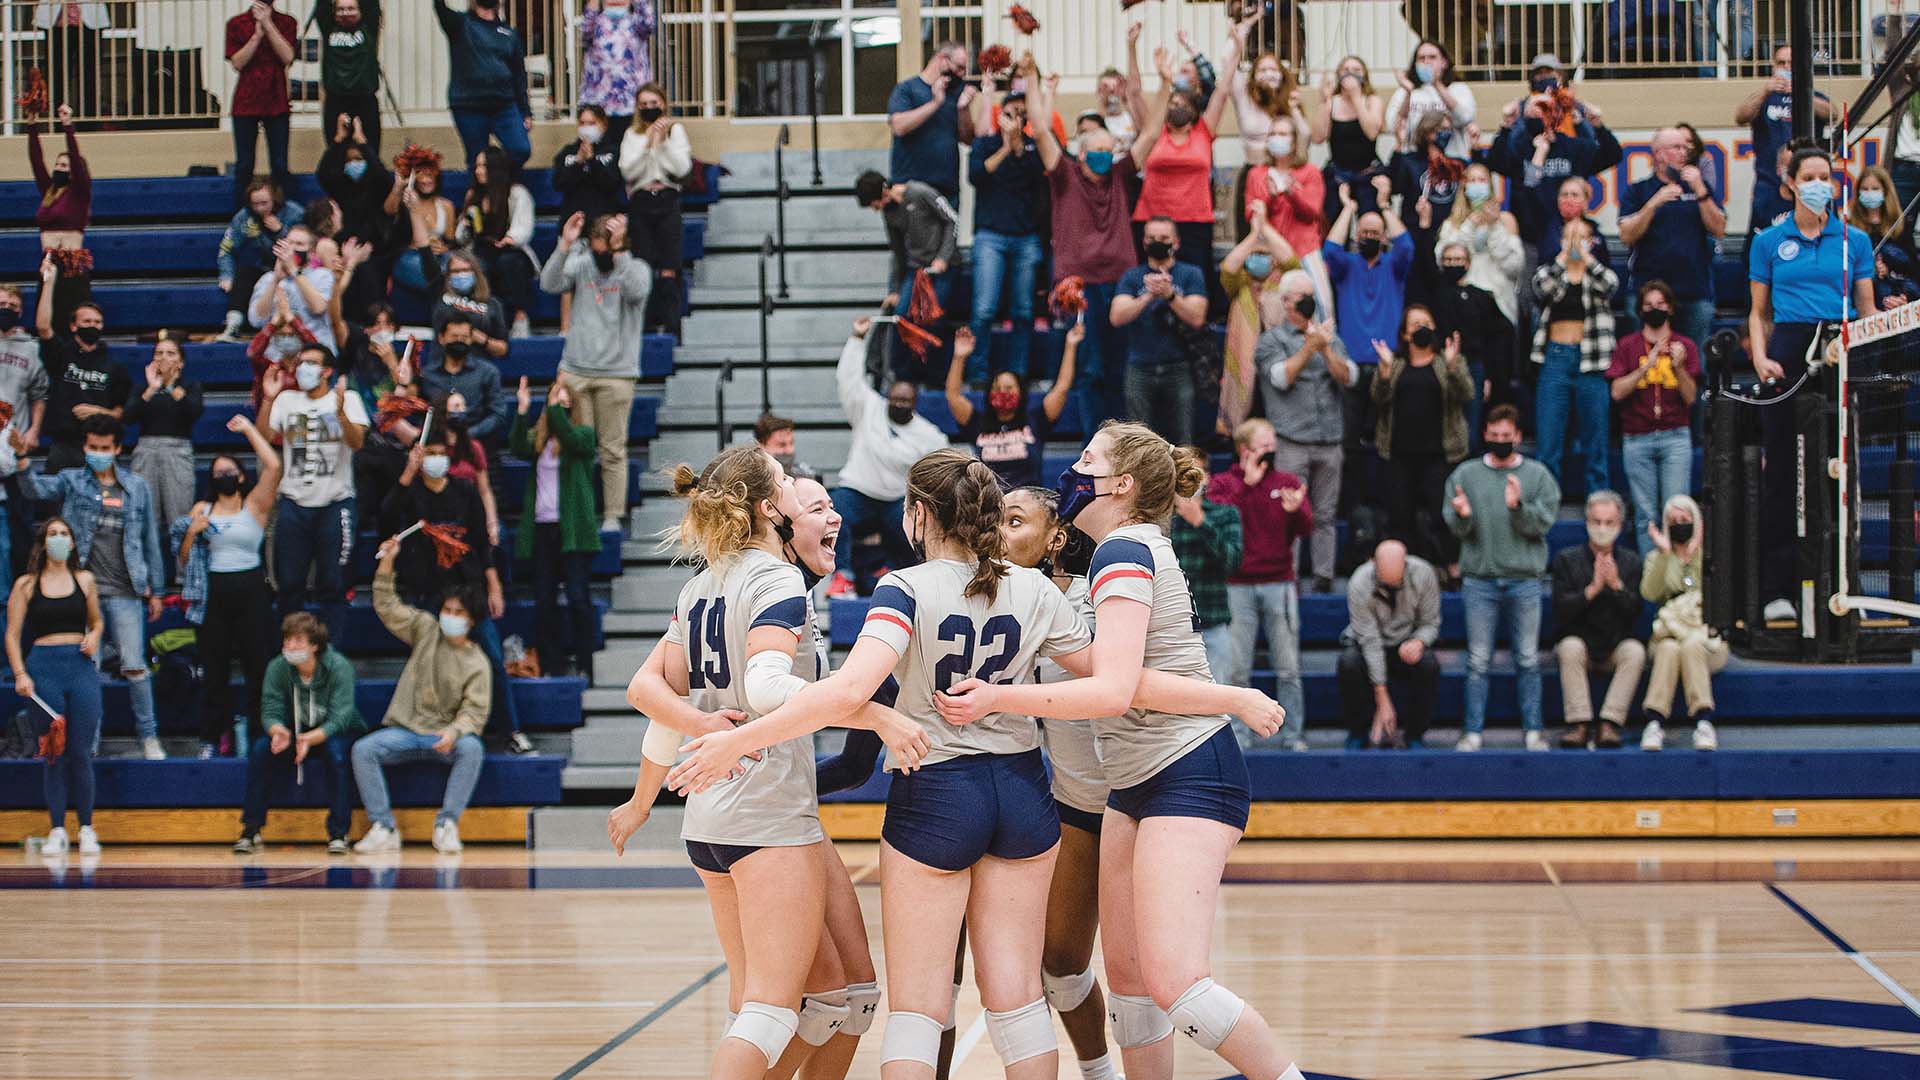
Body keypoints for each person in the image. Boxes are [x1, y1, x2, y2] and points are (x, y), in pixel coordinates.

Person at [669, 446, 1273, 1080]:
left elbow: (847, 694)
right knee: (1018, 1002)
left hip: (936, 793)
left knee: (918, 1011)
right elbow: (1123, 681)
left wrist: (737, 740)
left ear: (920, 516)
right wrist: (1227, 697)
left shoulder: (903, 587)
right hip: (1022, 794)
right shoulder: (1036, 586)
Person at [924, 424, 1306, 1080]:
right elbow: (1118, 673)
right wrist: (1232, 696)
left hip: (1187, 769)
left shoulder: (1123, 550)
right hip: (1130, 783)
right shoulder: (1117, 552)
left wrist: (995, 698)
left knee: (1178, 988)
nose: (1074, 470)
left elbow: (1111, 689)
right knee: (1130, 992)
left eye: (1086, 461)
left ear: (1120, 484)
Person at [625, 450, 926, 1080]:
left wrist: (647, 793)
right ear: (769, 509)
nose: (802, 493)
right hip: (761, 816)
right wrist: (869, 711)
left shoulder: (703, 582)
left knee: (837, 1002)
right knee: (771, 1011)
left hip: (722, 817)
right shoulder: (774, 580)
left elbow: (656, 694)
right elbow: (764, 688)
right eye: (791, 488)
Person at [997, 486, 1122, 1080]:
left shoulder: (1102, 607)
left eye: (1016, 521)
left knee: (1150, 971)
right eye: (996, 520)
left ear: (1057, 539)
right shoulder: (1002, 609)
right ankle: (1099, 1071)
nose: (1001, 531)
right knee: (1061, 966)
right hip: (1076, 807)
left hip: (1143, 803)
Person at [1746, 146, 1874, 623]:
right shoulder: (1768, 241)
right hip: (1790, 348)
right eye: (1810, 175)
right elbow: (1759, 313)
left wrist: (1865, 353)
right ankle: (1778, 590)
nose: (1820, 182)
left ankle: (1845, 588)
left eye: (1827, 175)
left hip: (1840, 346)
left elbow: (1867, 310)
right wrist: (1760, 356)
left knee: (1843, 472)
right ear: (1792, 183)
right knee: (1780, 469)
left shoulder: (1853, 241)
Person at [20, 416, 165, 760]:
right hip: (82, 593)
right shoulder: (72, 481)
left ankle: (149, 737)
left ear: (117, 449)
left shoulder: (137, 486)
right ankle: (91, 740)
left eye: (105, 448)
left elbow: (150, 540)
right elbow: (34, 489)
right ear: (84, 447)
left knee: (135, 666)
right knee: (90, 673)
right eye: (92, 447)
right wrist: (23, 460)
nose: (98, 453)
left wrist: (157, 589)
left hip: (127, 590)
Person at [352, 536, 492, 854]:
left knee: (472, 749)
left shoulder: (477, 661)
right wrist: (387, 561)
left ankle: (447, 823)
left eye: (458, 611)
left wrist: (455, 730)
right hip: (406, 730)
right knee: (364, 749)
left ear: (470, 620)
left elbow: (476, 711)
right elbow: (388, 606)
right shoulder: (427, 629)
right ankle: (383, 827)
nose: (450, 616)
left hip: (443, 736)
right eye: (447, 609)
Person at [1443, 404, 1560, 752]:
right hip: (1480, 580)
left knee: (1527, 659)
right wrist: (1463, 516)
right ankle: (1472, 732)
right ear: (1485, 436)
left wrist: (1517, 507)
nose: (1500, 441)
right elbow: (1457, 527)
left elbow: (1541, 525)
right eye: (1493, 437)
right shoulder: (1465, 475)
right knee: (1477, 661)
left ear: (1518, 437)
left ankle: (1534, 731)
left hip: (1525, 580)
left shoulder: (1538, 476)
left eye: (1506, 437)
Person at [1034, 71, 1136, 425]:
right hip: (1080, 285)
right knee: (1091, 369)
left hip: (1120, 282)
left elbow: (1151, 133)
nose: (1105, 157)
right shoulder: (1064, 174)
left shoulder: (1120, 176)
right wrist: (1039, 86)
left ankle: (1123, 443)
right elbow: (1041, 130)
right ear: (1081, 153)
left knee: (1121, 368)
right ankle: (1094, 444)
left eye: (1110, 151)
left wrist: (1158, 80)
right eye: (1098, 152)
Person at [175, 416, 280, 759]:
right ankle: (210, 738)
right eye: (217, 472)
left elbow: (274, 464)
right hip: (213, 593)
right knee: (214, 671)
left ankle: (257, 735)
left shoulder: (255, 506)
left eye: (229, 471)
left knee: (258, 668)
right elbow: (183, 560)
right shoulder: (201, 508)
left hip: (251, 589)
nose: (224, 476)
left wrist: (250, 430)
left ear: (240, 475)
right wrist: (193, 532)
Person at [540, 211, 649, 531]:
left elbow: (637, 291)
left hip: (616, 374)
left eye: (607, 248)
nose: (600, 255)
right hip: (576, 370)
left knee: (613, 450)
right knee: (579, 450)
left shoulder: (636, 268)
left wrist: (620, 251)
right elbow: (549, 283)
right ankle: (583, 516)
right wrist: (565, 244)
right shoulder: (582, 262)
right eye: (597, 247)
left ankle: (613, 516)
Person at [825, 318, 946, 598]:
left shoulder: (929, 435)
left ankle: (895, 571)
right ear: (888, 397)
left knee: (917, 521)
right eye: (895, 399)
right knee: (832, 512)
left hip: (897, 500)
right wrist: (856, 339)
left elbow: (947, 463)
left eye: (905, 401)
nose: (899, 404)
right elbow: (848, 378)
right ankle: (843, 575)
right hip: (858, 491)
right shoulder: (869, 408)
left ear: (915, 405)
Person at [1208, 420, 1309, 748]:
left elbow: (1306, 526)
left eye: (1272, 443)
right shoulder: (1224, 484)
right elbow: (1216, 521)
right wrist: (1246, 486)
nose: (1271, 450)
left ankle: (1293, 736)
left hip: (1279, 583)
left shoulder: (1287, 482)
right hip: (1236, 586)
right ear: (1244, 449)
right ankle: (1239, 737)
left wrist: (1296, 512)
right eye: (1264, 444)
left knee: (1289, 667)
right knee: (1237, 670)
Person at [6, 517, 103, 856]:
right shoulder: (26, 585)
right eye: (52, 534)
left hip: (79, 668)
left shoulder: (85, 579)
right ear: (43, 542)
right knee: (54, 752)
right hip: (43, 669)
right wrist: (20, 673)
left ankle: (87, 828)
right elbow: (12, 634)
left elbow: (97, 620)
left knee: (80, 751)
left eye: (64, 533)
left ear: (73, 542)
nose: (59, 538)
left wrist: (94, 637)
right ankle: (58, 829)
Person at [261, 344, 368, 644]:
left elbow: (358, 442)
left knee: (333, 584)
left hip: (336, 503)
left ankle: (329, 652)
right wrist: (268, 399)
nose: (302, 368)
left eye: (311, 363)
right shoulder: (286, 399)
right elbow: (267, 436)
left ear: (327, 371)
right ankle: (290, 649)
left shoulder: (349, 399)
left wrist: (339, 413)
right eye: (301, 362)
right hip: (294, 503)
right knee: (290, 584)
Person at [233, 611, 365, 854]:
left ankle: (338, 833)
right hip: (295, 730)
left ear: (314, 646)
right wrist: (277, 731)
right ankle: (251, 830)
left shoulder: (339, 666)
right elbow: (269, 709)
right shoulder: (277, 667)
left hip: (337, 731)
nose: (290, 646)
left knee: (336, 755)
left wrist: (311, 738)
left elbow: (341, 717)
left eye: (297, 641)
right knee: (261, 750)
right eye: (287, 640)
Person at [1257, 268, 1353, 591]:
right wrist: (1309, 348)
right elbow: (1280, 378)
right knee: (1290, 511)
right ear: (1285, 302)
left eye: (1311, 294)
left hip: (1330, 439)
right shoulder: (1270, 340)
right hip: (1291, 441)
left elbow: (1349, 377)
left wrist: (1325, 348)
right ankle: (1291, 576)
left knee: (1326, 513)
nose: (1309, 301)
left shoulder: (1329, 338)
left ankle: (1324, 578)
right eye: (1302, 295)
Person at [509, 375, 599, 680]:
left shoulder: (583, 436)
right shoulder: (541, 440)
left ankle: (586, 661)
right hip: (544, 528)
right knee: (544, 601)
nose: (557, 411)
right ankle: (552, 662)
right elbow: (518, 446)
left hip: (574, 531)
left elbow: (572, 438)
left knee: (577, 597)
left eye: (563, 405)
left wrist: (555, 409)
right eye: (553, 404)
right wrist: (523, 411)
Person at [1371, 306, 1474, 572]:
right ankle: (1402, 572)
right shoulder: (1393, 363)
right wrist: (1383, 372)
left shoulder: (1447, 360)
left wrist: (1453, 366)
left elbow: (1466, 395)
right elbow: (1378, 399)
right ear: (1405, 333)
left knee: (1442, 517)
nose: (1422, 329)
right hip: (1398, 455)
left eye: (1426, 323)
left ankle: (1451, 568)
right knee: (1400, 517)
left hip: (1439, 454)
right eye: (1415, 324)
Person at [1132, 43, 1231, 314]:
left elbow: (1222, 91)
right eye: (1172, 102)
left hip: (1195, 220)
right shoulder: (1155, 131)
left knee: (1196, 281)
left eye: (1182, 103)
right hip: (1151, 219)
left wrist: (1237, 46)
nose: (1176, 106)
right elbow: (1134, 92)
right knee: (1147, 282)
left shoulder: (1203, 130)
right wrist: (1132, 47)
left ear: (1194, 108)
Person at [1607, 281, 1700, 554]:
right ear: (1640, 310)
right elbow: (1616, 392)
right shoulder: (1628, 346)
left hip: (1675, 436)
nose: (1654, 310)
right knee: (1645, 516)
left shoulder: (1685, 345)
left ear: (1670, 309)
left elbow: (1691, 397)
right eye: (1648, 305)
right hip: (1637, 437)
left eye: (1660, 304)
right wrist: (1646, 366)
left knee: (1677, 512)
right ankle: (1652, 583)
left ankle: (1677, 582)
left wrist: (1679, 367)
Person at [1530, 217, 1618, 497]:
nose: (1574, 242)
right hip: (1556, 358)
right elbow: (1539, 288)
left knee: (1596, 441)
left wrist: (1587, 259)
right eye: (1569, 236)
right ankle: (1547, 503)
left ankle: (1599, 503)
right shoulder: (1553, 273)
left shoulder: (1597, 274)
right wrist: (1563, 258)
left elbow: (1611, 285)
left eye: (1580, 237)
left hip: (1591, 360)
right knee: (1549, 441)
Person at [1550, 491, 1646, 750]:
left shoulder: (1631, 562)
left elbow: (1635, 610)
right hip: (1581, 643)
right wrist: (1591, 591)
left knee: (1635, 651)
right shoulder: (1566, 559)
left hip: (1614, 644)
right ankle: (1579, 723)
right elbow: (1561, 608)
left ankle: (1609, 723)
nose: (1602, 529)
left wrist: (1616, 586)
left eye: (1609, 523)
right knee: (1569, 647)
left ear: (1619, 525)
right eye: (1597, 522)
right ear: (1587, 523)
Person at [965, 89, 1048, 382]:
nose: (1017, 118)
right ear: (1000, 115)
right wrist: (1005, 145)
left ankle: (1019, 373)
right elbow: (977, 175)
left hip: (1026, 237)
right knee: (984, 310)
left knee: (1024, 312)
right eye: (1011, 112)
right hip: (991, 237)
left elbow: (1038, 175)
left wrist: (1016, 144)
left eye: (1022, 113)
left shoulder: (1033, 147)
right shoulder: (984, 143)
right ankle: (977, 373)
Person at [1617, 125, 1724, 345]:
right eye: (1677, 147)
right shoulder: (1638, 190)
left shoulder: (1699, 188)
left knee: (1694, 365)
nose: (1684, 152)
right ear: (1659, 153)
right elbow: (1627, 235)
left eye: (1686, 148)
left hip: (1694, 291)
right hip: (1647, 292)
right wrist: (1653, 204)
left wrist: (1700, 190)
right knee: (1645, 361)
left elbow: (1719, 229)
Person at [1109, 216, 1208, 447]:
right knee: (1138, 441)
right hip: (1140, 366)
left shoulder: (1191, 274)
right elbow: (1116, 316)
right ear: (1143, 242)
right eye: (1152, 238)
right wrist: (1148, 295)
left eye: (1163, 238)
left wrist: (1170, 295)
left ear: (1176, 242)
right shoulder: (1132, 276)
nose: (1157, 242)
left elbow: (1197, 317)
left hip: (1179, 366)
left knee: (1184, 439)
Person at [854, 171, 959, 385]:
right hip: (915, 270)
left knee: (933, 317)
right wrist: (895, 289)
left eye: (874, 203)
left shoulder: (920, 193)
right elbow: (898, 253)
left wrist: (943, 257)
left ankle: (936, 376)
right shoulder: (890, 214)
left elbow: (952, 220)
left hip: (941, 268)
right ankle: (903, 376)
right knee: (900, 317)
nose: (876, 208)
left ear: (882, 193)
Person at [946, 324, 1078, 490]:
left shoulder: (1036, 419)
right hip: (991, 504)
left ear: (1020, 392)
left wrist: (1070, 345)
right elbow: (953, 395)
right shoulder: (977, 422)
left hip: (1029, 501)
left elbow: (1062, 387)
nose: (1003, 392)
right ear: (989, 394)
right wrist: (959, 357)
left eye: (1009, 388)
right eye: (997, 388)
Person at [1640, 493, 1723, 752]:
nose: (1679, 524)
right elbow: (1650, 593)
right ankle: (1654, 723)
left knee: (1691, 645)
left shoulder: (1710, 556)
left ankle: (1704, 722)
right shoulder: (1657, 558)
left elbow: (1717, 592)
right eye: (1673, 520)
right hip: (1668, 633)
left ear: (1696, 522)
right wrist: (1668, 556)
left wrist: (1695, 556)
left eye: (1684, 519)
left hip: (1707, 638)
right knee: (1669, 648)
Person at [1339, 540, 1440, 749]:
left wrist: (1419, 641)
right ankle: (1358, 732)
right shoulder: (1359, 582)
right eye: (1385, 583)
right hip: (1369, 643)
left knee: (1429, 664)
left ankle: (1415, 734)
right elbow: (1369, 640)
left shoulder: (1424, 573)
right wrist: (1382, 697)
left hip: (1406, 642)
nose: (1390, 587)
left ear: (1406, 565)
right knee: (1348, 663)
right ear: (1373, 564)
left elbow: (1430, 623)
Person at [123, 333, 203, 579]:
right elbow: (128, 417)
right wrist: (152, 389)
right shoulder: (142, 387)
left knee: (179, 516)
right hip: (146, 450)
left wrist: (169, 386)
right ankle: (146, 578)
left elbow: (193, 411)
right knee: (146, 517)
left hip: (177, 450)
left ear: (181, 361)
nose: (164, 358)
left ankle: (184, 578)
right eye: (159, 353)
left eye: (170, 353)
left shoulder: (190, 386)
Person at [618, 84, 693, 338]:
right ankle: (645, 327)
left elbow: (681, 169)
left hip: (667, 198)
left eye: (654, 103)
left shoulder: (676, 131)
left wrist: (662, 144)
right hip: (641, 201)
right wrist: (647, 144)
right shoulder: (632, 134)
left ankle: (672, 327)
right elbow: (628, 171)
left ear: (663, 104)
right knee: (643, 265)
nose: (650, 108)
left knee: (670, 265)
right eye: (644, 104)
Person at [1736, 44, 1834, 233]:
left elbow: (1833, 113)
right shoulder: (1764, 96)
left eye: (1792, 63)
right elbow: (1741, 116)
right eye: (1782, 63)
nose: (1787, 67)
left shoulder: (1810, 93)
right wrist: (1765, 90)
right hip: (1769, 181)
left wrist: (1802, 92)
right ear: (1774, 66)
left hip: (1806, 182)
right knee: (1763, 234)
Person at [1323, 176, 1414, 376]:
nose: (1369, 237)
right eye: (1364, 233)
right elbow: (1330, 250)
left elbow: (1406, 246)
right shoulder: (1346, 265)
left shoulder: (1394, 266)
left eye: (1375, 233)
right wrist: (1348, 209)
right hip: (1350, 360)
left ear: (1383, 237)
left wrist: (1384, 206)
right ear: (1356, 236)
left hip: (1387, 360)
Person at [34, 288, 124, 475]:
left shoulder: (114, 365)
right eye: (87, 321)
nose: (92, 325)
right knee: (56, 502)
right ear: (74, 326)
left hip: (98, 447)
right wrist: (49, 280)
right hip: (63, 445)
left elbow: (122, 411)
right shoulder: (61, 353)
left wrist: (100, 412)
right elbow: (43, 327)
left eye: (97, 322)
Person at [1171, 471, 1244, 696]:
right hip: (1172, 627)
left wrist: (1201, 523)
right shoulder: (1162, 521)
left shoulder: (1226, 514)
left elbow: (1232, 562)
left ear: (1206, 479)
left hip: (1213, 621)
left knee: (1221, 697)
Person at [434, 0, 532, 167]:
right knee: (476, 159)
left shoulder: (509, 33)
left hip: (503, 105)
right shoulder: (459, 24)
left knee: (521, 149)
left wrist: (525, 111)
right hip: (468, 106)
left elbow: (519, 76)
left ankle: (500, 183)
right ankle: (480, 190)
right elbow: (440, 7)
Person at [316, 116, 395, 318]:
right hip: (344, 247)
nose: (354, 164)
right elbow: (323, 174)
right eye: (350, 160)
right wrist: (338, 140)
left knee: (370, 273)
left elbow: (384, 178)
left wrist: (363, 143)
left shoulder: (376, 186)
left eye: (359, 160)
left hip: (373, 248)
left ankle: (374, 319)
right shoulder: (340, 187)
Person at [224, 0, 298, 209]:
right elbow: (237, 62)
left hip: (276, 100)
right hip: (246, 100)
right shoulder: (237, 23)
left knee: (280, 164)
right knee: (244, 164)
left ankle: (284, 212)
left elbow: (287, 57)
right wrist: (256, 35)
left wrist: (268, 25)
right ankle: (242, 215)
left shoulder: (287, 22)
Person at [457, 147, 537, 339]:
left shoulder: (516, 193)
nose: (478, 170)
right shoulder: (473, 195)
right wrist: (466, 224)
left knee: (509, 263)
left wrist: (510, 238)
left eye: (483, 166)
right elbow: (460, 236)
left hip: (510, 250)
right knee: (476, 267)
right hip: (480, 250)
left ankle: (520, 318)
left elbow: (523, 226)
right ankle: (481, 322)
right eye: (477, 166)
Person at [886, 41, 978, 203]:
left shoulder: (956, 92)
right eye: (959, 67)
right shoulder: (907, 89)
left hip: (946, 188)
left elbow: (968, 138)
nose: (961, 74)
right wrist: (935, 103)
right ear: (942, 59)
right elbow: (899, 126)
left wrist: (963, 109)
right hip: (910, 186)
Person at [1428, 241, 1515, 411]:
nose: (1454, 264)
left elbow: (1498, 335)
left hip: (1474, 367)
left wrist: (1490, 376)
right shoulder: (1433, 295)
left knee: (1471, 427)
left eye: (1458, 259)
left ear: (1468, 263)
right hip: (1438, 365)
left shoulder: (1481, 297)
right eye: (1449, 260)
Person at [1436, 164, 1524, 329]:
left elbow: (1515, 266)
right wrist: (1469, 225)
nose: (1477, 184)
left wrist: (1494, 227)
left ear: (1490, 185)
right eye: (1472, 180)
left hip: (1498, 301)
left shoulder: (1506, 220)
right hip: (1463, 302)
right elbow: (1443, 259)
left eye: (1482, 180)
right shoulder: (1451, 224)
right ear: (1464, 187)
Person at [28, 104, 92, 328]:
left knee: (72, 320)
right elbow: (36, 162)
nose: (59, 168)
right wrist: (32, 124)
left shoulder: (79, 192)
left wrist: (67, 126)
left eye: (64, 165)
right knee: (46, 321)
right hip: (48, 262)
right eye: (57, 164)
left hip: (72, 262)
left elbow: (75, 157)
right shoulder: (49, 191)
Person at [0, 285, 48, 576]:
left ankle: (24, 590)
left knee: (20, 526)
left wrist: (34, 431)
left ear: (19, 310)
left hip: (13, 446)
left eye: (11, 304)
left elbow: (39, 393)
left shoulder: (30, 347)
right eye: (1, 302)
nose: (5, 308)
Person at [1311, 56, 1384, 224]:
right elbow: (1317, 137)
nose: (1350, 74)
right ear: (1338, 75)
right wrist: (1324, 102)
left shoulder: (1372, 100)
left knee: (1370, 222)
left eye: (1356, 70)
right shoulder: (1332, 101)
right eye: (1346, 70)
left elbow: (1372, 132)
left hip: (1367, 173)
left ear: (1364, 74)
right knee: (1332, 224)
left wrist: (1357, 98)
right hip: (1338, 174)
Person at [420, 314, 510, 449]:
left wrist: (469, 434)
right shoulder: (427, 375)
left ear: (471, 340)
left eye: (464, 338)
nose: (459, 341)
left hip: (477, 446)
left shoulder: (488, 372)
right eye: (454, 337)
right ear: (441, 338)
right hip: (437, 446)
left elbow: (498, 414)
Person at [1385, 40, 1477, 167]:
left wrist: (1436, 84)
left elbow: (1465, 118)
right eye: (1421, 58)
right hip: (1414, 164)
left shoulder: (1458, 89)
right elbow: (1393, 126)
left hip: (1452, 161)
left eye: (1432, 57)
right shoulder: (1403, 92)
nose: (1426, 62)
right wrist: (1408, 92)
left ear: (1444, 62)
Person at [247, 224, 337, 353]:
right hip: (278, 356)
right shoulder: (268, 279)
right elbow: (256, 320)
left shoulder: (322, 275)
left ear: (311, 253)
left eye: (299, 244)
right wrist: (275, 280)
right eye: (289, 243)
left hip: (315, 354)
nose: (292, 249)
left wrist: (294, 271)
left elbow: (318, 308)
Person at [578, 0, 654, 146]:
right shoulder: (595, 22)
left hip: (631, 103)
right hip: (599, 103)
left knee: (631, 148)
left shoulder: (636, 23)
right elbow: (585, 30)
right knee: (603, 152)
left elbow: (649, 23)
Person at [388, 148, 458, 298]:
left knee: (459, 267)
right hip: (411, 255)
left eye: (430, 174)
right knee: (428, 273)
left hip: (438, 257)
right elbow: (389, 211)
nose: (426, 179)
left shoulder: (446, 206)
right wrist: (399, 186)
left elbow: (451, 241)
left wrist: (444, 248)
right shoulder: (406, 201)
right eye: (421, 174)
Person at [317, 0, 382, 158]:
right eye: (340, 9)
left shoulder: (369, 27)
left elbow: (372, 6)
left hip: (364, 100)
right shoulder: (328, 28)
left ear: (361, 11)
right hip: (336, 101)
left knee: (370, 152)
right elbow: (322, 6)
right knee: (335, 153)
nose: (346, 13)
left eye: (351, 9)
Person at [426, 248, 510, 358]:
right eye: (455, 271)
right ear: (447, 275)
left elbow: (503, 349)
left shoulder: (492, 304)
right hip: (443, 366)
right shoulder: (439, 294)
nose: (461, 275)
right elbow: (425, 253)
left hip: (480, 367)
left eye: (466, 270)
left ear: (476, 273)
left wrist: (483, 340)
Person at [553, 104, 627, 227]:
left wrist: (592, 161)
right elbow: (559, 184)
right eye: (582, 123)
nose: (586, 128)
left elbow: (612, 183)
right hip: (572, 225)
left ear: (603, 125)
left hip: (602, 227)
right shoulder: (567, 152)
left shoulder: (614, 152)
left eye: (591, 123)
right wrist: (578, 162)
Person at [753, 413, 811, 480]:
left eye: (791, 443)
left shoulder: (804, 474)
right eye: (781, 445)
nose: (789, 450)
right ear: (761, 446)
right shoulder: (752, 479)